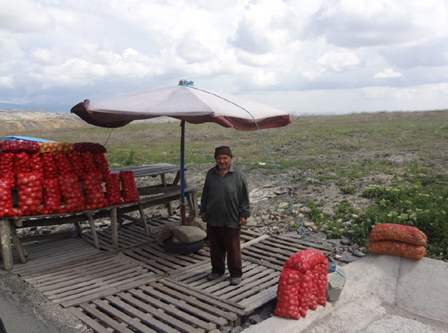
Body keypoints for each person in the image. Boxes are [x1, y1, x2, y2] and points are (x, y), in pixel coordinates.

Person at [200, 146, 251, 285]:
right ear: (215, 159)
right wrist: (203, 210)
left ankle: (236, 273)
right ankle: (217, 270)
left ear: (230, 159)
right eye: (219, 158)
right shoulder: (211, 174)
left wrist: (244, 214)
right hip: (213, 217)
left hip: (232, 217)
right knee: (215, 247)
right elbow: (205, 194)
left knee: (233, 248)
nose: (222, 161)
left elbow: (244, 197)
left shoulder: (238, 175)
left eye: (225, 158)